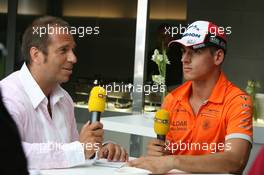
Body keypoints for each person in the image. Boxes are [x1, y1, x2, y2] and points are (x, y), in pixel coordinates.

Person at [0, 16, 128, 169]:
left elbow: (74, 153)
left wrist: (99, 150)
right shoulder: (7, 95)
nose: (73, 58)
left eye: (72, 49)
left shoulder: (64, 99)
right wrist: (79, 149)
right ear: (36, 55)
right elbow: (9, 154)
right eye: (63, 50)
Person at [128, 21, 253, 174]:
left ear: (218, 57)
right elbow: (168, 155)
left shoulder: (238, 101)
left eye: (195, 52)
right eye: (183, 51)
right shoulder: (172, 99)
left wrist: (173, 161)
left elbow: (235, 160)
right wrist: (160, 152)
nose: (184, 59)